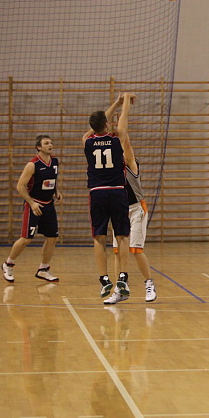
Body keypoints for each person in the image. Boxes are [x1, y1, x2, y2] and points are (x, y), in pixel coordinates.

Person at [83, 93, 134, 301]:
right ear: (106, 124)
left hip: (97, 192)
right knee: (122, 236)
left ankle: (104, 279)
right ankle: (123, 277)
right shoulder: (116, 138)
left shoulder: (87, 141)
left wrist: (114, 104)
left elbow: (96, 126)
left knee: (99, 237)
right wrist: (125, 101)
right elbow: (124, 119)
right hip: (117, 191)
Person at [102, 124, 157, 305]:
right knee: (118, 252)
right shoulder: (111, 169)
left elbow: (127, 148)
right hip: (119, 211)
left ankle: (149, 283)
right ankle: (120, 289)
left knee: (135, 249)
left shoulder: (131, 164)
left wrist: (121, 131)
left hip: (136, 209)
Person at [1, 135, 63, 283]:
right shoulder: (32, 164)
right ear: (39, 147)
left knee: (53, 237)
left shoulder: (54, 161)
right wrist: (32, 203)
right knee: (26, 239)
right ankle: (8, 264)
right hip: (34, 205)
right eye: (46, 143)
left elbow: (53, 178)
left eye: (51, 142)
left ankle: (43, 269)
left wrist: (57, 191)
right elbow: (20, 186)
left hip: (48, 204)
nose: (50, 145)